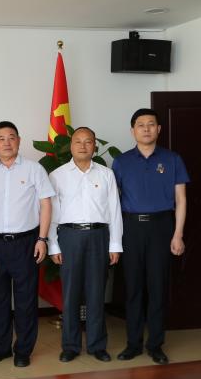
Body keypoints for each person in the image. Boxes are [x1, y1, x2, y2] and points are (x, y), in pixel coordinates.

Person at [111, 108, 189, 365]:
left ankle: (155, 345)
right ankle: (133, 344)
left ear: (159, 129)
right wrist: (114, 238)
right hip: (131, 228)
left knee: (157, 288)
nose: (146, 129)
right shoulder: (121, 162)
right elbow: (112, 202)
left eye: (151, 124)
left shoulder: (172, 159)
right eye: (141, 125)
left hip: (161, 227)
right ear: (132, 130)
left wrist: (178, 234)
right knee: (133, 288)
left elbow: (181, 199)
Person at [0, 122, 54, 368]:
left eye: (11, 137)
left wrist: (42, 239)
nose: (7, 142)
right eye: (1, 138)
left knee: (25, 299)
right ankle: (1, 348)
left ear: (19, 141)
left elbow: (46, 205)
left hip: (26, 243)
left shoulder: (34, 169)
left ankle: (23, 350)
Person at [48, 127, 123, 363]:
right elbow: (52, 214)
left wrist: (115, 245)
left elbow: (115, 211)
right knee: (71, 293)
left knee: (96, 292)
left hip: (99, 236)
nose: (83, 146)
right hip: (69, 236)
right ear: (71, 146)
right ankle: (70, 345)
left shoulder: (106, 174)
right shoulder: (57, 175)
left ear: (94, 146)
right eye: (78, 141)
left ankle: (97, 345)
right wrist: (53, 246)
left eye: (88, 141)